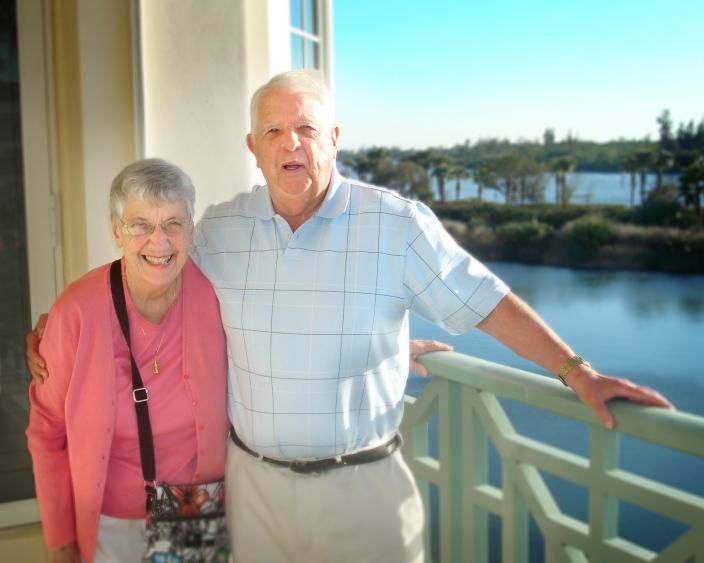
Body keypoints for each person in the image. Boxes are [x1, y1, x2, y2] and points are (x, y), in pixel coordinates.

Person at [28, 70, 672, 562]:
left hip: (364, 490)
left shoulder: (395, 225)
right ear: (253, 147)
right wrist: (59, 332)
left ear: (333, 139)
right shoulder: (221, 230)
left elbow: (486, 301)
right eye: (275, 132)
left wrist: (575, 370)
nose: (292, 144)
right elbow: (151, 276)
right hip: (253, 494)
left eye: (307, 128)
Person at [26, 159, 229, 563]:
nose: (160, 241)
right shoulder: (77, 311)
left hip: (193, 508)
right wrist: (61, 540)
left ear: (191, 228)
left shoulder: (216, 294)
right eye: (140, 225)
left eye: (174, 223)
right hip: (108, 521)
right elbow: (46, 432)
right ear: (117, 230)